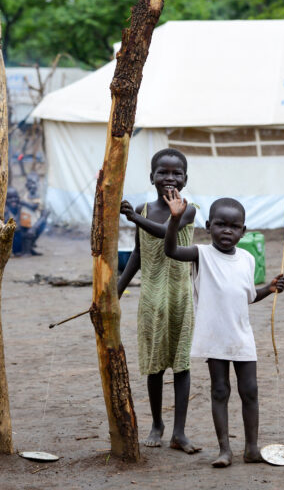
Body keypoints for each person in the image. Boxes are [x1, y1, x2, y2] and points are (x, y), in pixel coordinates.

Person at [163, 190, 284, 468]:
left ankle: (252, 449)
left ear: (243, 231)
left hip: (241, 336)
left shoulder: (247, 259)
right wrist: (175, 219)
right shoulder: (201, 254)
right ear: (208, 227)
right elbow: (170, 251)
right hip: (214, 336)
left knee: (250, 390)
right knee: (220, 391)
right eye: (220, 224)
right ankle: (225, 450)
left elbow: (247, 296)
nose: (227, 231)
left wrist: (270, 288)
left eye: (234, 226)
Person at [116, 148, 200, 453]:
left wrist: (134, 218)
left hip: (179, 296)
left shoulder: (188, 209)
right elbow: (138, 254)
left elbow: (166, 232)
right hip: (151, 297)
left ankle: (179, 432)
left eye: (177, 173)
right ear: (152, 177)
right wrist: (117, 289)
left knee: (181, 364)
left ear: (185, 179)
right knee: (154, 365)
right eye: (163, 172)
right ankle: (156, 424)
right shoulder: (144, 210)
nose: (170, 178)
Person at [4, 186, 47, 256]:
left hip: (20, 236)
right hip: (10, 240)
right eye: (10, 198)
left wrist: (33, 228)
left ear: (18, 197)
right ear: (5, 199)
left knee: (36, 226)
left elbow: (41, 213)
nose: (13, 200)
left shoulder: (22, 207)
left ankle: (27, 249)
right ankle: (13, 251)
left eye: (15, 197)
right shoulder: (4, 210)